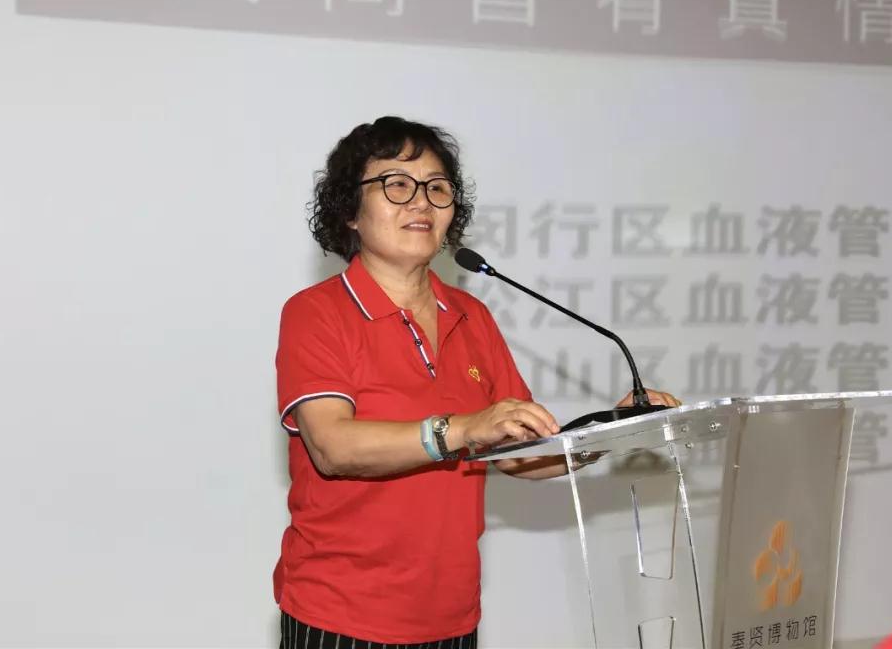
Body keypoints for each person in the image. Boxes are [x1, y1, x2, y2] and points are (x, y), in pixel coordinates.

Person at [274, 116, 679, 649]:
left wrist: (609, 432)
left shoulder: (471, 316)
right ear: (350, 209)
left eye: (437, 188)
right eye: (396, 185)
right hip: (341, 613)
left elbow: (518, 454)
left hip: (451, 616)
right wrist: (463, 428)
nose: (421, 202)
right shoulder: (317, 312)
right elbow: (333, 447)